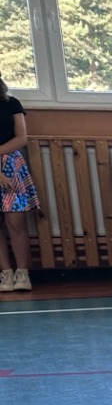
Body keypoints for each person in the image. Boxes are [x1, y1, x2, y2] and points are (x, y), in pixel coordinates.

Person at [0, 76, 37, 293]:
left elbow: (21, 138)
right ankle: (5, 272)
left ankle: (22, 272)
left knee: (15, 221)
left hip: (10, 164)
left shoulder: (11, 103)